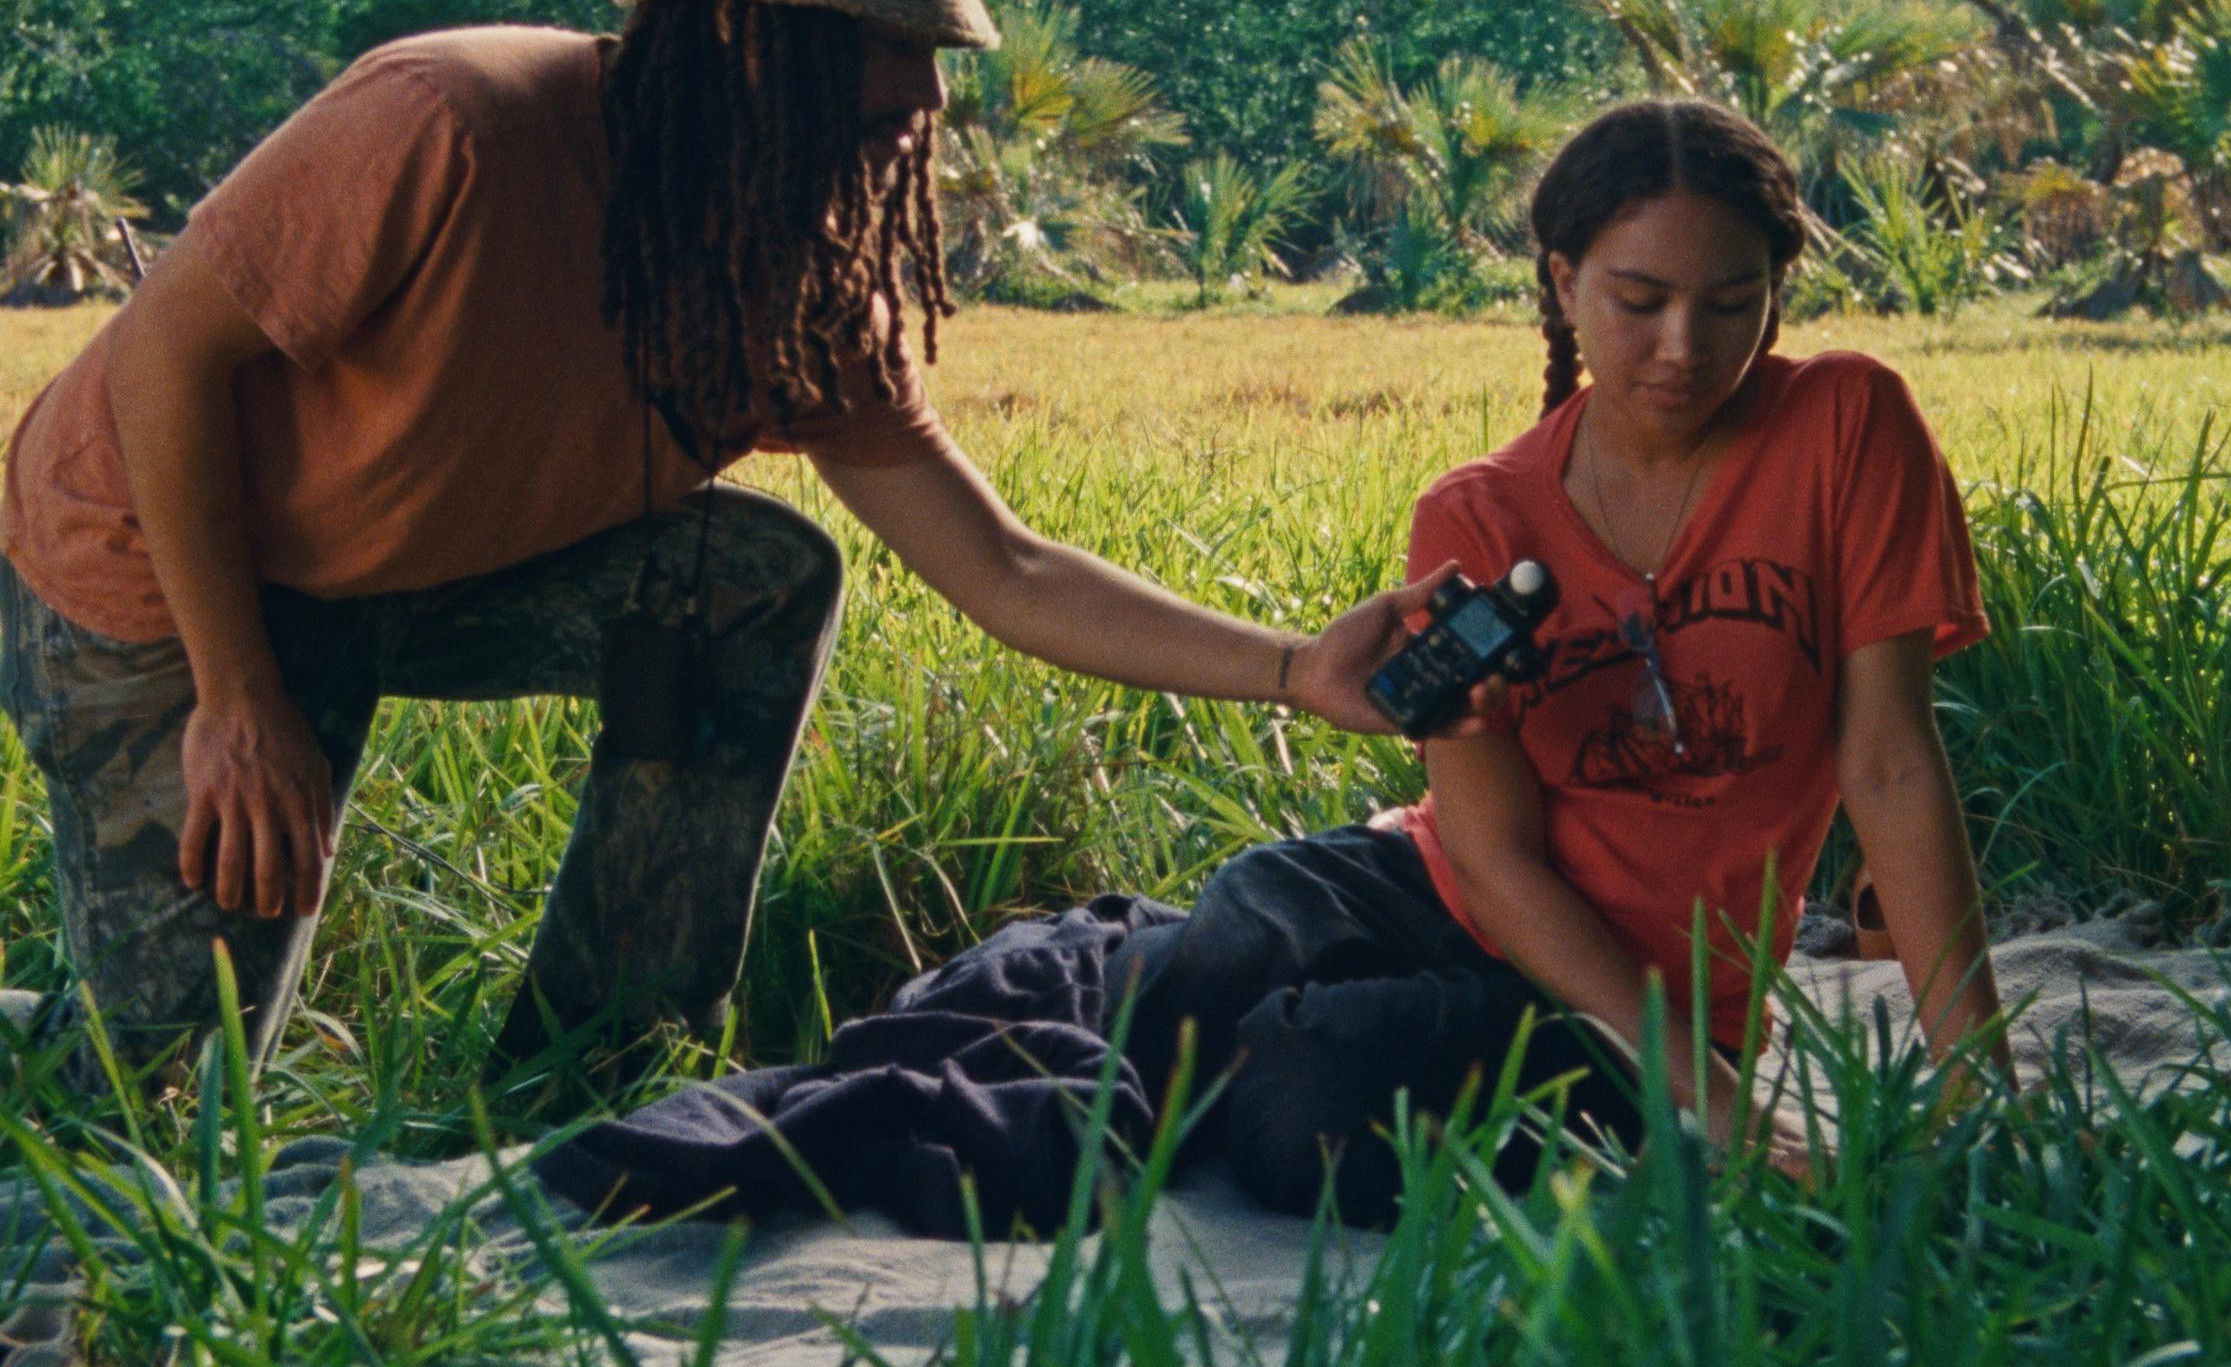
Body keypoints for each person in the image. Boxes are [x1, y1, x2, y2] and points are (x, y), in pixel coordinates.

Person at [0, 0, 1477, 1092]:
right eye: (884, 47)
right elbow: (162, 360)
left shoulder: (792, 269)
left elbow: (1004, 566)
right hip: (164, 566)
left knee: (752, 578)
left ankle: (588, 1067)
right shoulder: (449, 122)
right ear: (741, 37)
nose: (923, 95)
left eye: (934, 53)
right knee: (158, 1096)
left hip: (417, 571)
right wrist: (238, 697)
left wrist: (1295, 666)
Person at [1111, 100, 2016, 1224]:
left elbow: (1889, 763)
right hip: (1425, 887)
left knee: (1305, 1107)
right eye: (1639, 301)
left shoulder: (1846, 425)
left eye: (1731, 304)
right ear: (1562, 281)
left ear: (1775, 293)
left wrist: (1979, 1094)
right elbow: (1493, 856)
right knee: (1210, 958)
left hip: (1624, 1001)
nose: (1683, 347)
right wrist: (1740, 1123)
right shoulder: (1479, 513)